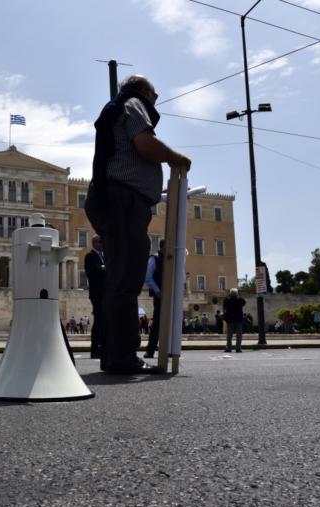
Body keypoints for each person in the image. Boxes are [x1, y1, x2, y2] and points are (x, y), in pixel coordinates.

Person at [85, 74, 191, 374]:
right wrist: (176, 157)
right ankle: (121, 357)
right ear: (145, 91)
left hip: (118, 200)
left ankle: (116, 355)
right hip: (123, 202)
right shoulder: (134, 103)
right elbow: (145, 143)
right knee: (126, 281)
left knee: (122, 278)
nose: (156, 99)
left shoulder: (120, 106)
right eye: (155, 93)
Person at [84, 234, 106, 359]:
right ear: (95, 243)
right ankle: (95, 349)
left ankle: (101, 347)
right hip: (97, 294)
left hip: (104, 293)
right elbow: (94, 272)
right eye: (101, 242)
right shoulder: (90, 256)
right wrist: (104, 269)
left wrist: (104, 268)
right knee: (98, 321)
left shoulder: (103, 257)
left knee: (102, 322)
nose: (103, 244)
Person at [143, 240, 165, 359]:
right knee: (156, 324)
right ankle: (150, 350)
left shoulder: (170, 259)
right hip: (160, 296)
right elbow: (148, 277)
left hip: (170, 296)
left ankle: (169, 349)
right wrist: (157, 291)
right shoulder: (154, 259)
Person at [223, 288, 246, 353]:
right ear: (237, 294)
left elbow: (224, 307)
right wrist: (238, 295)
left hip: (230, 320)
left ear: (230, 294)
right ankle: (238, 348)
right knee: (239, 336)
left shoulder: (227, 300)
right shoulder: (240, 300)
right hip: (239, 320)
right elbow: (244, 302)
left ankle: (229, 348)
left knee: (229, 336)